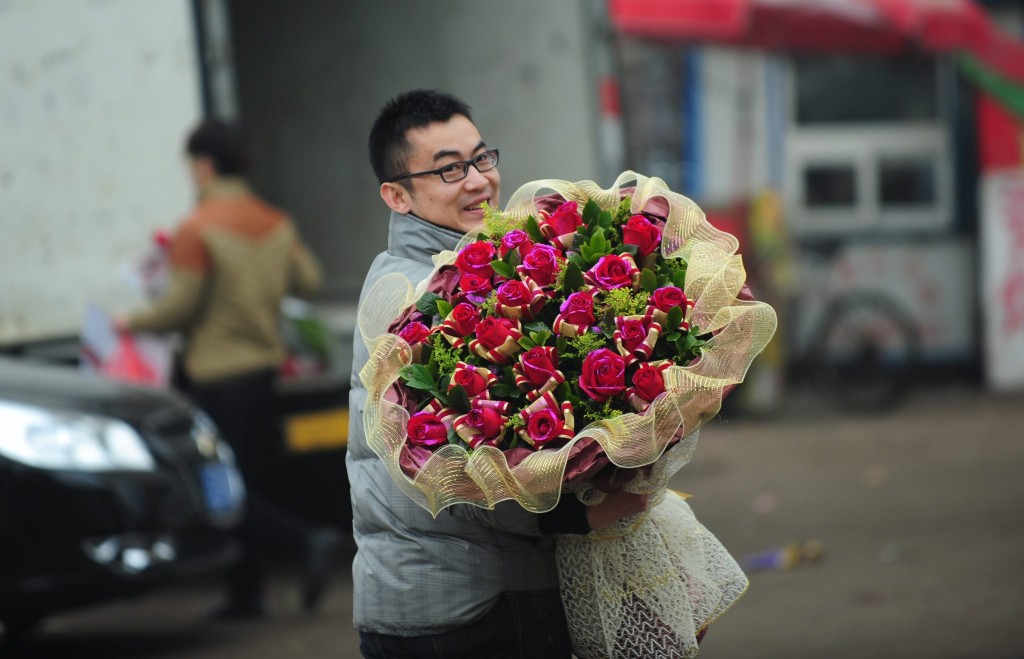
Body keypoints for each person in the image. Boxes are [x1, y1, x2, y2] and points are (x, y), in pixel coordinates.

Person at [349, 89, 650, 658]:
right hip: (477, 608)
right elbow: (446, 468)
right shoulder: (422, 296)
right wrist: (576, 515)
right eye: (449, 170)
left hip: (419, 601)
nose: (478, 181)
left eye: (482, 158)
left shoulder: (426, 273)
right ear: (396, 195)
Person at [117, 118, 341, 618]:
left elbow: (179, 307)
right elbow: (308, 279)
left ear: (202, 165)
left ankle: (308, 540)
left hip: (217, 376)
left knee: (221, 485)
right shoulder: (275, 222)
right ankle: (248, 595)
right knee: (247, 480)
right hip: (264, 371)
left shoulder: (196, 229)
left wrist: (128, 319)